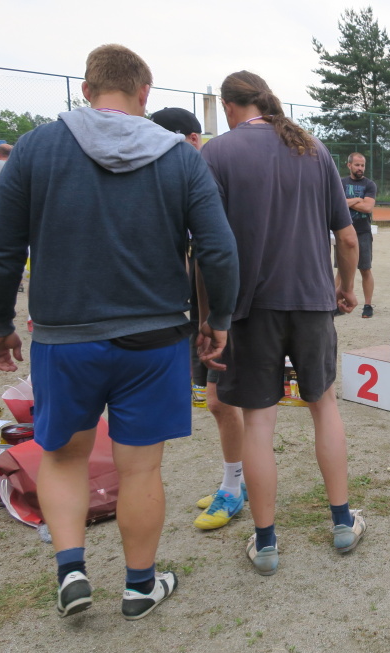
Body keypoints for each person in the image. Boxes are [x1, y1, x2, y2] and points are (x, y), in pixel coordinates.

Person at [0, 44, 238, 620]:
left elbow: (4, 250)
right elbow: (218, 249)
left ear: (86, 89)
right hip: (153, 339)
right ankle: (139, 586)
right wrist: (219, 319)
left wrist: (1, 323)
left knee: (62, 457)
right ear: (144, 93)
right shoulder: (181, 158)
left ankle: (72, 571)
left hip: (63, 337)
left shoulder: (34, 147)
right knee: (140, 469)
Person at [200, 70, 362, 576]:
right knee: (324, 406)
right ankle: (342, 522)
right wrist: (345, 286)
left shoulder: (217, 153)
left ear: (230, 106)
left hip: (249, 307)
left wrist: (209, 316)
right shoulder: (314, 148)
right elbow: (347, 237)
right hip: (312, 300)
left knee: (259, 422)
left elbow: (207, 247)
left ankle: (266, 542)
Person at [150, 106, 248, 530]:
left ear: (191, 140)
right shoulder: (180, 176)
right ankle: (235, 480)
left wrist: (217, 316)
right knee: (218, 402)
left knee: (220, 401)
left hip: (228, 307)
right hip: (206, 306)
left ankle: (234, 487)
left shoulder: (209, 170)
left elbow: (221, 251)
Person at [343, 152, 377, 318]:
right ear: (349, 165)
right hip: (344, 231)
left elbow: (368, 207)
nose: (360, 168)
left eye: (362, 165)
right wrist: (358, 199)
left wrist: (348, 202)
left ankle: (368, 305)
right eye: (357, 165)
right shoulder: (340, 183)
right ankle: (337, 303)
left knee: (365, 269)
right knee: (341, 270)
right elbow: (337, 203)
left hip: (363, 231)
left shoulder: (370, 185)